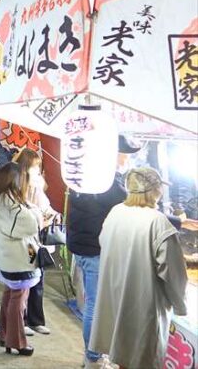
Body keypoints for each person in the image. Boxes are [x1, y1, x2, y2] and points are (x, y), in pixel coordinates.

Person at [90, 168, 188, 369]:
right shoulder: (158, 222)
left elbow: (103, 242)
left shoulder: (116, 212)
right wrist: (180, 305)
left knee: (121, 356)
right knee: (141, 358)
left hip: (116, 295)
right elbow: (173, 273)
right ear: (154, 190)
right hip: (145, 304)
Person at [67, 135, 140, 367]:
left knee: (93, 304)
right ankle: (93, 357)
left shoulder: (85, 174)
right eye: (124, 152)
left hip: (83, 247)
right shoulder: (105, 180)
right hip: (94, 249)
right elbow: (135, 205)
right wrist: (176, 222)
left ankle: (92, 355)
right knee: (95, 306)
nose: (127, 157)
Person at [0, 162, 40, 356]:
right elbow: (31, 224)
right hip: (19, 257)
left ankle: (6, 335)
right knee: (18, 298)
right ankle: (16, 341)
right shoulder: (10, 203)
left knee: (10, 294)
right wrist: (36, 211)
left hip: (6, 256)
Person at [13, 148, 59, 336]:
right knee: (25, 279)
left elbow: (45, 205)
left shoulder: (37, 183)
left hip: (37, 239)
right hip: (26, 240)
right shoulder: (17, 183)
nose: (38, 169)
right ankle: (22, 320)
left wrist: (50, 214)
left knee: (37, 278)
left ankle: (35, 320)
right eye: (35, 165)